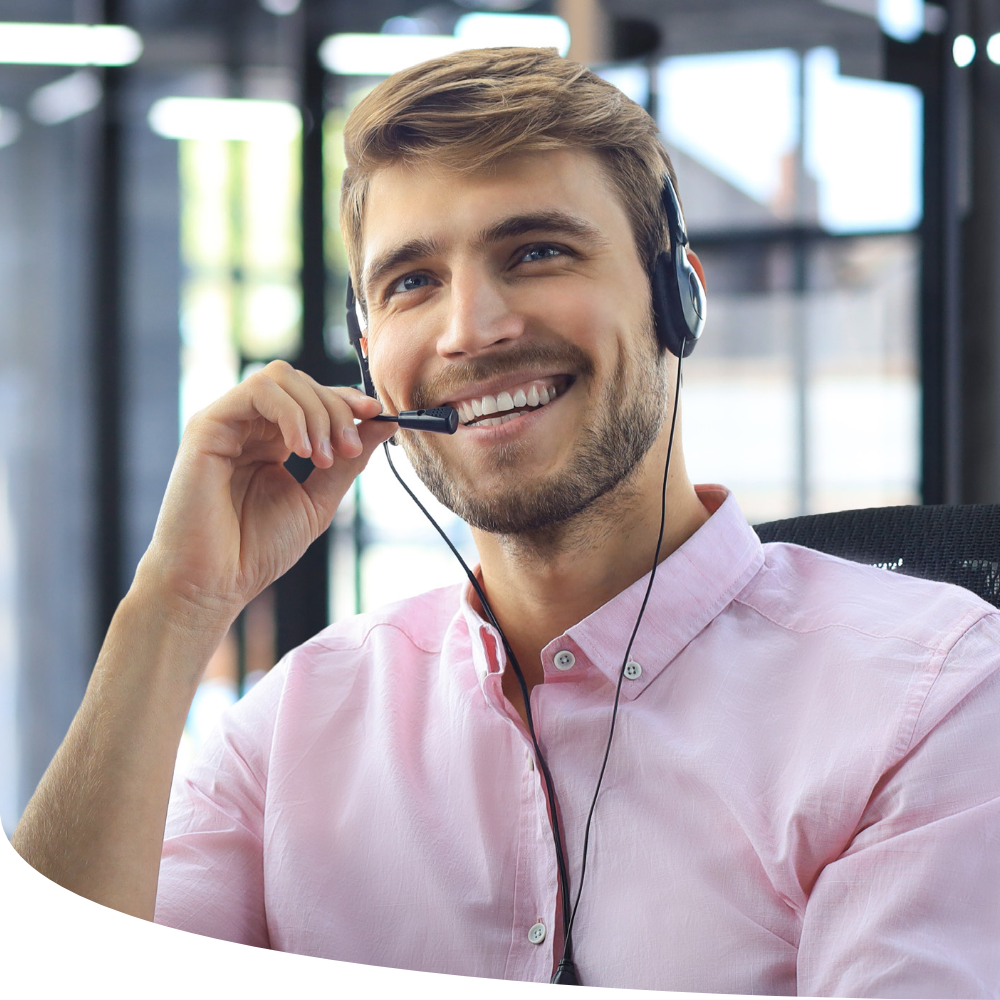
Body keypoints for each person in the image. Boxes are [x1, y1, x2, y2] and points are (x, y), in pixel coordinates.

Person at [11, 47, 999, 994]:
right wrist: (172, 608)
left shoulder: (934, 699)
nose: (469, 328)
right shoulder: (295, 725)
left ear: (676, 297)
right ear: (368, 360)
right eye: (411, 282)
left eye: (534, 251)